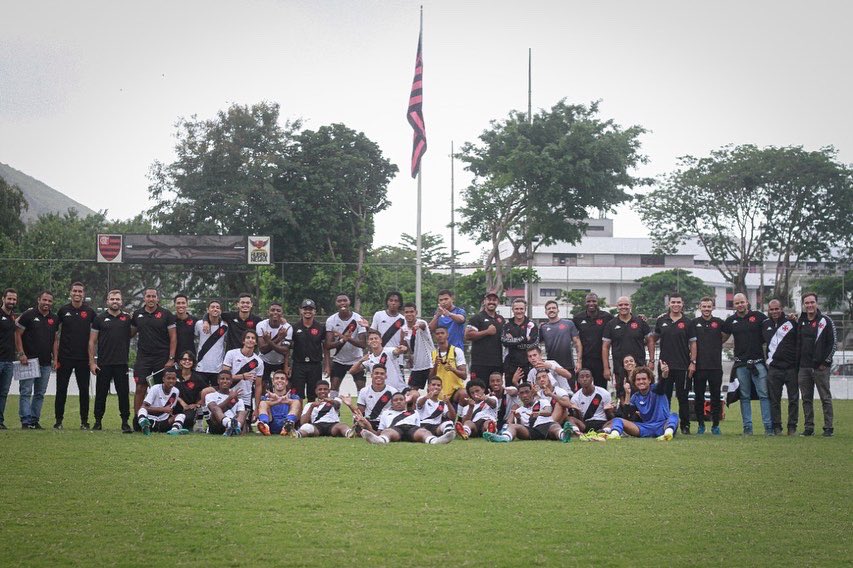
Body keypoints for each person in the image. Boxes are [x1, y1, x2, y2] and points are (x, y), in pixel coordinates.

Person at [130, 288, 177, 430]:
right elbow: (130, 333)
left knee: (160, 389)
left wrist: (171, 358)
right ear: (144, 298)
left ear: (158, 299)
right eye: (148, 296)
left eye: (153, 296)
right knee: (140, 387)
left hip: (162, 357)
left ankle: (159, 421)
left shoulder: (166, 314)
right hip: (143, 357)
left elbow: (173, 337)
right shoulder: (137, 314)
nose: (151, 299)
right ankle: (139, 419)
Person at [725, 293, 771, 435]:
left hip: (758, 363)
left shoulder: (759, 317)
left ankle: (768, 428)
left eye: (742, 302)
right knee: (744, 396)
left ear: (747, 303)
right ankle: (747, 428)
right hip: (741, 364)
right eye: (737, 303)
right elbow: (720, 337)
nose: (740, 305)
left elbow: (774, 327)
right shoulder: (731, 321)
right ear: (734, 305)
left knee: (764, 394)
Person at [52, 281, 96, 430]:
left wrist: (92, 359)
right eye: (75, 291)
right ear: (70, 293)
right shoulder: (63, 310)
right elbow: (54, 333)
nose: (77, 294)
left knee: (84, 390)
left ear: (84, 294)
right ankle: (58, 421)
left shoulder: (89, 312)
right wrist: (56, 357)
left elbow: (97, 333)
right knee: (61, 389)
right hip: (65, 358)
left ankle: (84, 421)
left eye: (80, 291)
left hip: (83, 358)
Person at [89, 289, 134, 433]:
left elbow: (132, 333)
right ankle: (97, 421)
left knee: (123, 394)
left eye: (117, 299)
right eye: (112, 299)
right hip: (104, 363)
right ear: (107, 301)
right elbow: (92, 341)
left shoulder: (127, 319)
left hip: (121, 363)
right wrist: (92, 362)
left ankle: (125, 422)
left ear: (121, 301)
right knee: (101, 394)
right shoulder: (99, 318)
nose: (115, 301)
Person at [15, 290, 58, 429]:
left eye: (49, 301)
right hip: (29, 361)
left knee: (40, 393)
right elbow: (17, 334)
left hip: (45, 362)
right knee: (26, 391)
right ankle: (25, 421)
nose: (46, 303)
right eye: (44, 300)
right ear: (38, 300)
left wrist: (55, 358)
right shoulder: (28, 315)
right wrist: (21, 354)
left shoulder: (54, 318)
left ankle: (34, 420)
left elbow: (55, 340)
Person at [601, 365, 679, 441]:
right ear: (634, 382)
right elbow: (627, 416)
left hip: (663, 426)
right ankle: (614, 435)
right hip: (645, 428)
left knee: (674, 416)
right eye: (638, 379)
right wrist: (627, 394)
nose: (641, 381)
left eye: (644, 379)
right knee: (618, 420)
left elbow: (662, 384)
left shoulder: (656, 389)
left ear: (649, 380)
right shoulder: (635, 397)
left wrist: (664, 375)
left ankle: (668, 434)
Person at [688, 296, 729, 436]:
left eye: (708, 306)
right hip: (699, 367)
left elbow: (726, 335)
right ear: (700, 307)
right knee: (699, 397)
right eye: (704, 306)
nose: (706, 309)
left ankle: (716, 425)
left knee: (716, 397)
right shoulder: (694, 323)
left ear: (713, 307)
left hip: (715, 367)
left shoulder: (719, 323)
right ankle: (700, 424)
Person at [797, 292, 836, 437]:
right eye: (807, 303)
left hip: (820, 368)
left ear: (816, 303)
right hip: (803, 367)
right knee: (806, 399)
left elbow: (833, 343)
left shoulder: (825, 321)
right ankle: (809, 428)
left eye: (812, 302)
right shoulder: (800, 321)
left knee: (825, 398)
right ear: (803, 305)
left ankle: (828, 428)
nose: (809, 305)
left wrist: (825, 362)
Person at [652, 293, 692, 434]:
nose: (676, 304)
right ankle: (665, 424)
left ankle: (685, 426)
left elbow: (693, 343)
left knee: (683, 397)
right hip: (665, 366)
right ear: (669, 304)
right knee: (664, 396)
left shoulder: (688, 322)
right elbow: (652, 338)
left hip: (683, 365)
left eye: (678, 302)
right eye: (673, 302)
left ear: (682, 304)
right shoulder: (661, 320)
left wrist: (692, 362)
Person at [482, 381, 570, 443]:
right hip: (531, 431)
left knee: (554, 426)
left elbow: (549, 411)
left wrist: (538, 413)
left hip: (546, 426)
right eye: (522, 393)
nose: (525, 395)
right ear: (519, 395)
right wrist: (518, 418)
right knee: (514, 426)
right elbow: (521, 426)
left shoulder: (542, 401)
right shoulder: (519, 410)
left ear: (532, 393)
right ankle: (504, 438)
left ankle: (563, 435)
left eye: (527, 392)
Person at [357, 392, 455, 444]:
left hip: (411, 428)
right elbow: (379, 432)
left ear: (405, 401)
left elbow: (417, 427)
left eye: (401, 399)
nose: (398, 402)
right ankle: (381, 441)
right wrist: (368, 426)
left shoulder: (414, 412)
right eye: (395, 400)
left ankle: (435, 441)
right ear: (391, 403)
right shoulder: (386, 413)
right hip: (395, 429)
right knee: (387, 432)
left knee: (423, 432)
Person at [602, 296, 654, 396]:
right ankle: (624, 411)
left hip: (639, 366)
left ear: (630, 306)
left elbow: (650, 341)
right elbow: (605, 347)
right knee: (622, 395)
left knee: (641, 394)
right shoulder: (611, 324)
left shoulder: (640, 322)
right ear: (617, 307)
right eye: (621, 305)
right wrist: (606, 367)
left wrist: (651, 361)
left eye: (626, 304)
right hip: (620, 367)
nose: (623, 307)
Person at [763, 299, 799, 436]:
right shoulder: (765, 324)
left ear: (781, 308)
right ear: (768, 310)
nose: (774, 312)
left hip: (791, 368)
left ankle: (792, 427)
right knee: (774, 400)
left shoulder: (791, 323)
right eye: (771, 309)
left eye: (776, 309)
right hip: (774, 369)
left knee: (793, 399)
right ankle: (777, 427)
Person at [325, 293, 367, 397]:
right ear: (336, 303)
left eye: (345, 300)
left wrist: (348, 338)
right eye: (339, 301)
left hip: (357, 359)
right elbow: (328, 345)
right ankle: (334, 412)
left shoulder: (358, 319)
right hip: (339, 360)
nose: (342, 303)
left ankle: (361, 412)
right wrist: (342, 340)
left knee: (361, 390)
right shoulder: (331, 320)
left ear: (349, 302)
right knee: (333, 388)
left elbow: (363, 344)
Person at [289, 299, 329, 401]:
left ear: (315, 311)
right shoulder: (294, 327)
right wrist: (288, 365)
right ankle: (297, 417)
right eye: (305, 309)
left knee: (313, 395)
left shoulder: (320, 327)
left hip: (315, 365)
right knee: (297, 396)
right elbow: (288, 347)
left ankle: (311, 416)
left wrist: (327, 365)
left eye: (310, 309)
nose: (308, 311)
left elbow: (325, 347)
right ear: (301, 311)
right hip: (299, 365)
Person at [219, 329, 265, 417]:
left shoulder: (258, 362)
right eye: (248, 337)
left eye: (253, 338)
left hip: (245, 398)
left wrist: (257, 408)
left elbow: (258, 386)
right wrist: (242, 376)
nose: (250, 340)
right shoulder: (231, 354)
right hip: (228, 394)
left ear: (256, 342)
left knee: (242, 427)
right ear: (243, 340)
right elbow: (223, 377)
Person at [572, 293, 613, 389]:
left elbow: (619, 321)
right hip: (584, 360)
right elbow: (570, 331)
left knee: (601, 389)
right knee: (582, 388)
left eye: (594, 301)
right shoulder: (578, 318)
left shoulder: (607, 317)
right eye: (588, 301)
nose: (591, 303)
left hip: (600, 361)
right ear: (585, 303)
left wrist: (639, 317)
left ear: (598, 302)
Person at [465, 290, 505, 383]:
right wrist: (487, 332)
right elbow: (468, 335)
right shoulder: (477, 318)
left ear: (498, 302)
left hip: (497, 363)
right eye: (489, 299)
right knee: (478, 390)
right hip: (480, 364)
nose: (491, 302)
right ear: (484, 302)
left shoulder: (500, 319)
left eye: (494, 300)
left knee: (495, 392)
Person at [539, 299, 582, 381]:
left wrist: (579, 362)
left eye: (553, 308)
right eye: (549, 308)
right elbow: (536, 346)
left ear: (558, 310)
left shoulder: (569, 324)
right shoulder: (543, 327)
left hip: (568, 366)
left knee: (570, 392)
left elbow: (577, 343)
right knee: (554, 392)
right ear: (545, 312)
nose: (551, 310)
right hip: (551, 367)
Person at [136, 369, 188, 435]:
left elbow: (170, 408)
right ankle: (144, 424)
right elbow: (144, 407)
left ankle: (174, 430)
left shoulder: (176, 391)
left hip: (162, 422)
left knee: (181, 415)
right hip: (150, 419)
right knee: (142, 409)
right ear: (163, 379)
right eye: (168, 378)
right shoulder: (155, 388)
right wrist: (163, 409)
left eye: (173, 379)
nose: (171, 381)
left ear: (176, 380)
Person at [501, 298, 538, 386]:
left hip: (528, 363)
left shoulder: (531, 324)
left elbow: (534, 343)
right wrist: (524, 339)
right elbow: (504, 341)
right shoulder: (507, 325)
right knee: (511, 391)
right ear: (512, 310)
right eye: (516, 309)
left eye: (521, 309)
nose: (519, 311)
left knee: (529, 390)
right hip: (510, 364)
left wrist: (513, 341)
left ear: (525, 309)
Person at [257, 302, 292, 393]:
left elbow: (285, 350)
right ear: (268, 312)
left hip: (280, 361)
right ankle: (262, 405)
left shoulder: (287, 327)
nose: (275, 312)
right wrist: (279, 338)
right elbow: (262, 349)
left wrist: (268, 341)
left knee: (283, 386)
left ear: (282, 313)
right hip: (264, 360)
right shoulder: (261, 325)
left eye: (278, 310)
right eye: (272, 310)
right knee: (263, 386)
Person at [256, 369, 302, 436]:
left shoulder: (293, 397)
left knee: (296, 402)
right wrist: (277, 401)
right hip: (271, 424)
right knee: (263, 403)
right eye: (277, 378)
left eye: (282, 379)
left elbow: (299, 415)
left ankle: (287, 425)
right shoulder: (267, 397)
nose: (279, 380)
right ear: (273, 381)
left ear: (286, 382)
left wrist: (286, 401)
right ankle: (265, 425)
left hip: (287, 422)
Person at [429, 326, 467, 404]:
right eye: (437, 334)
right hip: (438, 390)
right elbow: (430, 378)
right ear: (434, 336)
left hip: (454, 390)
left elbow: (464, 375)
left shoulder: (456, 351)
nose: (440, 335)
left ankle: (460, 416)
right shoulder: (432, 354)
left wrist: (453, 369)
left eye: (442, 333)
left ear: (447, 335)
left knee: (464, 393)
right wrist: (436, 365)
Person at [402, 302, 434, 390]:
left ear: (416, 312)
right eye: (407, 312)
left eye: (411, 311)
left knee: (431, 390)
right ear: (403, 313)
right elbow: (408, 346)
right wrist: (409, 357)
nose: (409, 314)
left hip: (430, 362)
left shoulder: (421, 323)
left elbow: (423, 326)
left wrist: (417, 326)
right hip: (417, 365)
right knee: (412, 391)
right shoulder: (404, 329)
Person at [195, 299, 228, 386]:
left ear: (220, 310)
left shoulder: (225, 326)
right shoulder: (199, 324)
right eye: (212, 307)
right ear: (208, 310)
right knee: (201, 394)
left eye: (217, 307)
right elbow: (193, 337)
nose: (215, 309)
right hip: (201, 367)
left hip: (218, 368)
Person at [355, 365, 398, 432]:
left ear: (386, 376)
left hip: (386, 422)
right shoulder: (364, 391)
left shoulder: (393, 391)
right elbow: (360, 411)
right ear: (372, 375)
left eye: (382, 374)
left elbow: (397, 411)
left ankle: (376, 434)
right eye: (376, 373)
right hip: (370, 422)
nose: (379, 376)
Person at [569, 368, 613, 434]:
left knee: (615, 420)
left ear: (592, 379)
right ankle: (577, 432)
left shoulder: (604, 393)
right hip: (586, 424)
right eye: (582, 377)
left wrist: (608, 410)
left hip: (602, 422)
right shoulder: (575, 397)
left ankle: (604, 431)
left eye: (587, 376)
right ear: (578, 380)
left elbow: (610, 417)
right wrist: (577, 411)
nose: (585, 379)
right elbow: (580, 419)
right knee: (570, 419)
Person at [204, 371, 246, 436]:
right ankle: (230, 425)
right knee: (216, 408)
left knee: (243, 412)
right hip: (217, 424)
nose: (225, 381)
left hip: (233, 420)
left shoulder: (238, 398)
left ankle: (236, 426)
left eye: (228, 379)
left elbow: (241, 416)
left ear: (231, 381)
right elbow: (213, 410)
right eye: (222, 379)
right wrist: (229, 399)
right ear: (218, 381)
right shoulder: (210, 395)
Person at [0, 288, 18, 429]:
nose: (11, 301)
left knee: (4, 392)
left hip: (9, 360)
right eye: (9, 299)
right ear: (3, 298)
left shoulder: (12, 316)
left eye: (14, 299)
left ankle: (0, 420)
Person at [175, 350, 206, 431]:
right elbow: (169, 390)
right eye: (184, 359)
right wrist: (181, 402)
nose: (187, 361)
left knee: (187, 420)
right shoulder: (174, 375)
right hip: (174, 406)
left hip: (189, 408)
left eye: (190, 359)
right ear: (180, 361)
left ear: (193, 362)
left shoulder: (197, 378)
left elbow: (205, 393)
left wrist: (196, 404)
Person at [173, 294, 197, 361]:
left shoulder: (195, 320)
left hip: (190, 359)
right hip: (174, 358)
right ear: (174, 305)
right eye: (178, 303)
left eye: (183, 303)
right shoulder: (170, 320)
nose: (181, 305)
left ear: (187, 304)